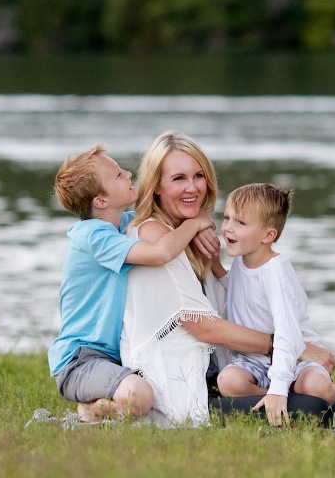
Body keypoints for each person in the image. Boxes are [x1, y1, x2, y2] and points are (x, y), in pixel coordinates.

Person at [120, 130, 335, 428]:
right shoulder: (157, 237)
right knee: (310, 406)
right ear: (156, 186)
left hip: (216, 375)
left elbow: (235, 300)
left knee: (309, 397)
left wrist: (207, 248)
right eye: (178, 178)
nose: (192, 187)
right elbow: (202, 325)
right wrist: (293, 347)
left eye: (199, 175)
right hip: (178, 388)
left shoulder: (191, 234)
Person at [47, 144, 216, 422]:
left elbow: (164, 224)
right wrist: (196, 223)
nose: (128, 173)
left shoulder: (123, 224)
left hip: (116, 358)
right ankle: (91, 410)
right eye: (117, 174)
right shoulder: (92, 236)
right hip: (80, 360)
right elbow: (161, 253)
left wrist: (194, 226)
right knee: (140, 396)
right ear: (101, 200)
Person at [215, 183, 335, 427]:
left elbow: (286, 333)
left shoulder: (276, 272)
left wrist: (280, 385)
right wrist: (214, 265)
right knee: (228, 381)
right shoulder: (242, 259)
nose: (228, 227)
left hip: (296, 358)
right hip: (256, 361)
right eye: (227, 217)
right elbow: (241, 291)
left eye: (240, 222)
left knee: (315, 386)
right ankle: (288, 406)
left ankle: (319, 398)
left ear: (268, 236)